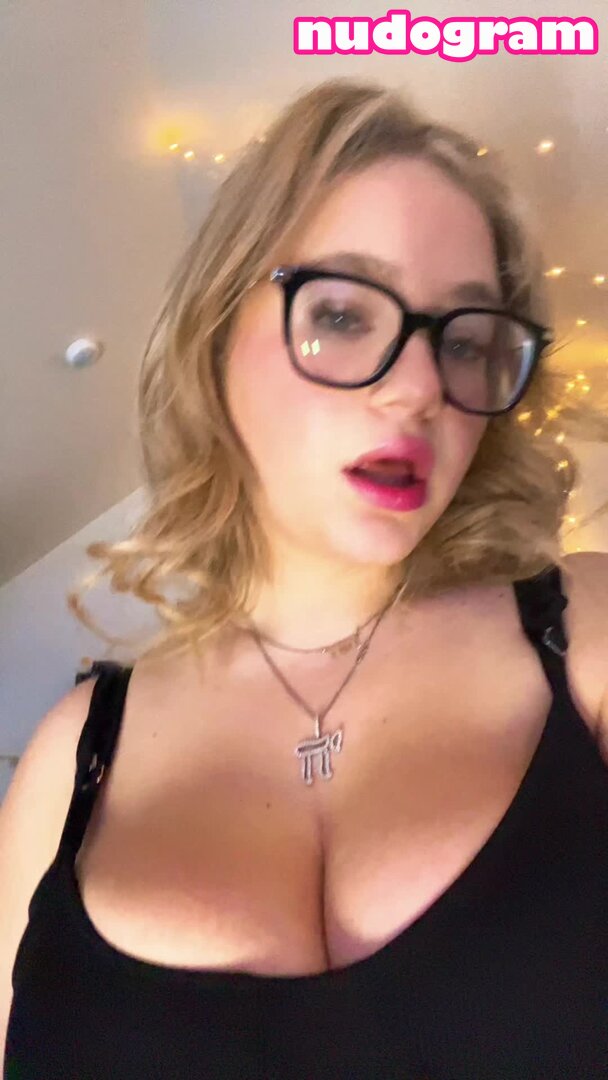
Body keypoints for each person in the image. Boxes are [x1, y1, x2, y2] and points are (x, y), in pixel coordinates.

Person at [2, 77, 608, 1079]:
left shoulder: (583, 630)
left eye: (463, 341)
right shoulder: (73, 758)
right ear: (214, 335)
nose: (420, 388)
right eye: (341, 312)